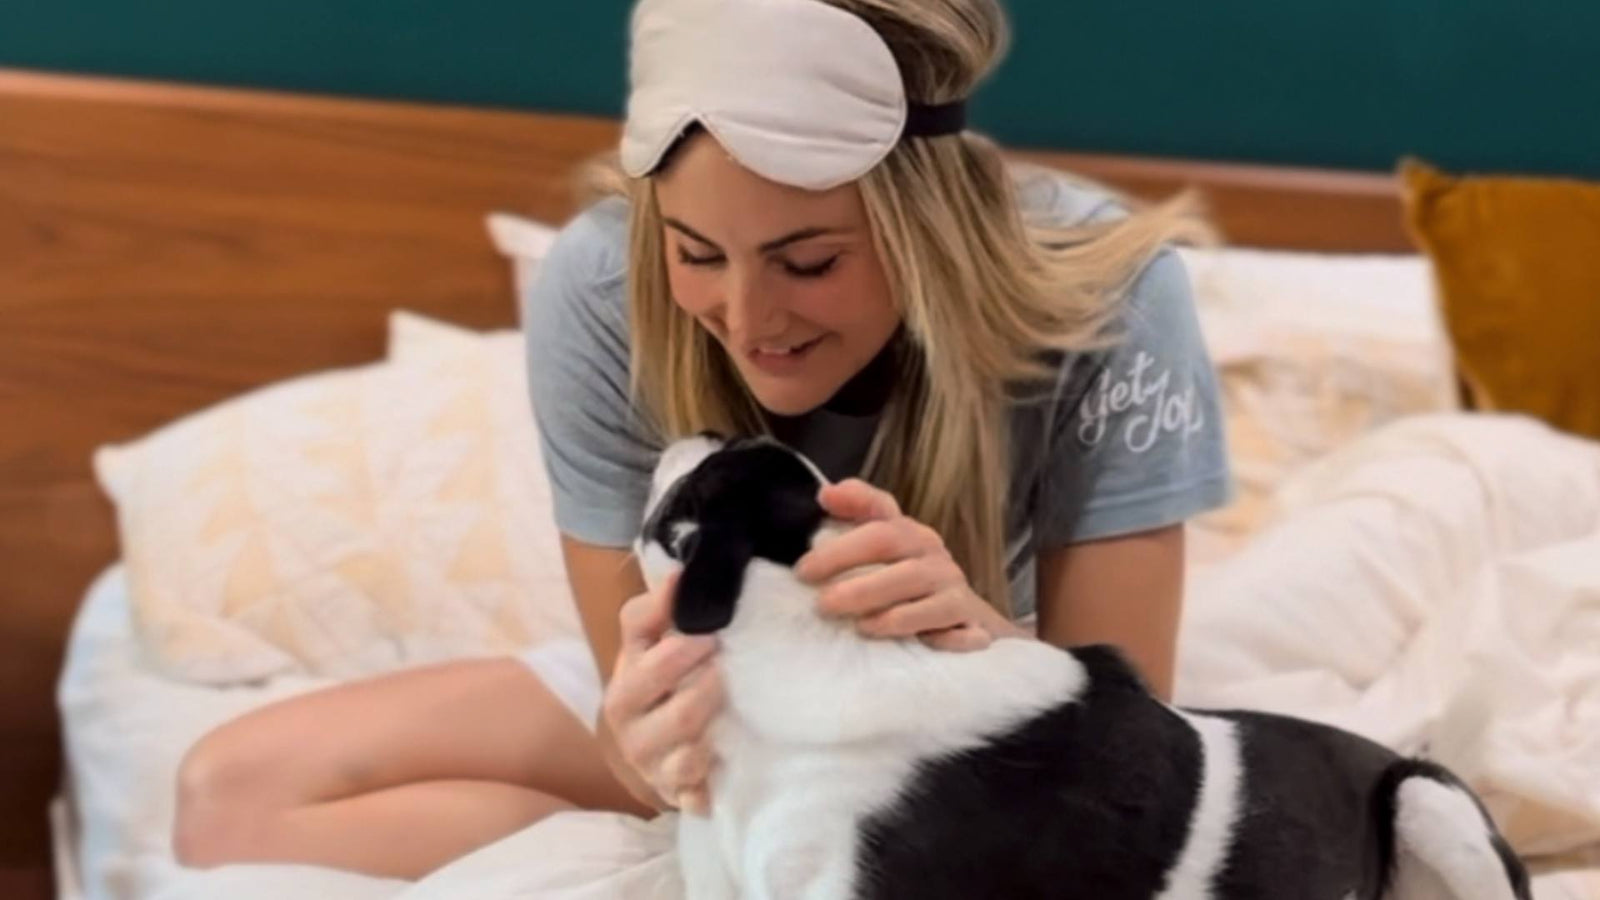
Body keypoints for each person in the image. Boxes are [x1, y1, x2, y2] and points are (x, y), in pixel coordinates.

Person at [171, 0, 1231, 880]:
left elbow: (1124, 759)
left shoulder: (1115, 297)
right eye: (695, 253)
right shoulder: (598, 285)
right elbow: (640, 729)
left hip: (979, 700)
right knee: (228, 798)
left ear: (926, 229)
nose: (749, 318)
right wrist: (652, 760)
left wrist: (978, 654)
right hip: (729, 685)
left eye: (808, 261)